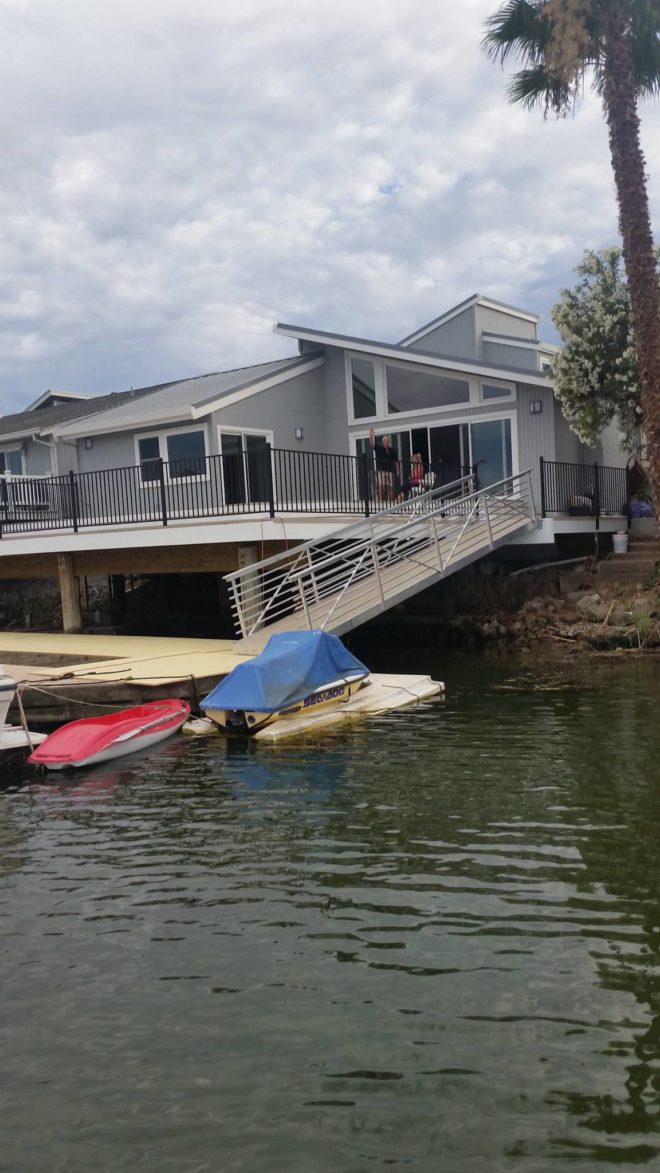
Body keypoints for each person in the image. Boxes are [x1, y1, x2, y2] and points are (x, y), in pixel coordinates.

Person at [368, 428, 399, 502]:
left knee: (390, 487)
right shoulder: (379, 448)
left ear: (389, 442)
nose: (385, 442)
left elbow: (396, 461)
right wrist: (371, 436)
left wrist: (397, 470)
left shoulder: (392, 450)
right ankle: (380, 501)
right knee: (381, 485)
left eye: (386, 441)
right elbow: (372, 445)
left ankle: (389, 502)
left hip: (390, 471)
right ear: (382, 442)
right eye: (384, 441)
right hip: (381, 471)